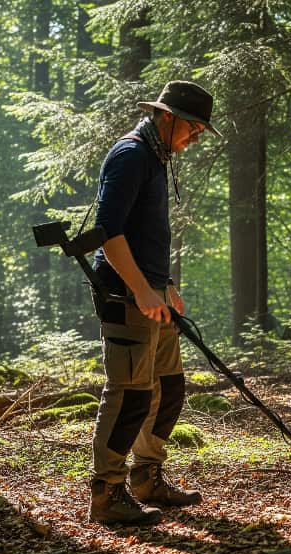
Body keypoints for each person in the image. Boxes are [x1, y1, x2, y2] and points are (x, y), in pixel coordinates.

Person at [88, 81, 221, 525]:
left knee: (168, 389)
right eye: (194, 127)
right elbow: (109, 231)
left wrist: (165, 286)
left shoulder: (156, 156)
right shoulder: (131, 155)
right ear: (168, 117)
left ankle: (147, 478)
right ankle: (107, 493)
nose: (196, 137)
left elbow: (146, 234)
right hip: (124, 293)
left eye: (201, 130)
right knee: (129, 394)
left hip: (152, 292)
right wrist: (143, 290)